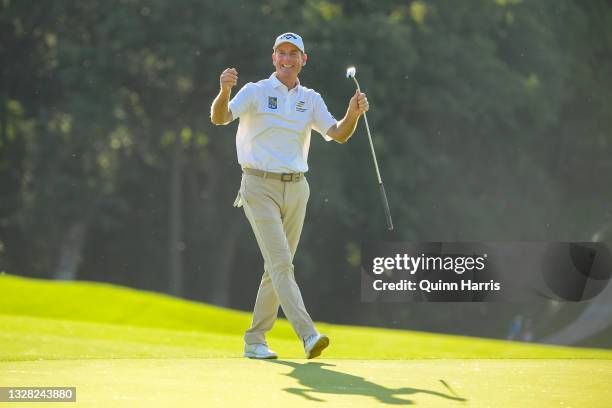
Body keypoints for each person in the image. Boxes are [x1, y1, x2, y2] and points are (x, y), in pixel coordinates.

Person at [210, 32, 369, 359]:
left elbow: (337, 133)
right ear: (273, 58)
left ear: (303, 60)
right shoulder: (255, 91)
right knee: (281, 263)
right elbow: (220, 117)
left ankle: (255, 340)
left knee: (277, 267)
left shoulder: (310, 99)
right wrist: (224, 90)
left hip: (297, 188)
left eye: (293, 54)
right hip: (257, 186)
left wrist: (353, 114)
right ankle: (308, 335)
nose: (287, 59)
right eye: (281, 53)